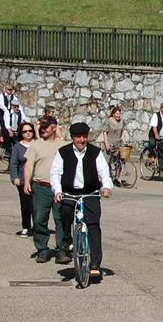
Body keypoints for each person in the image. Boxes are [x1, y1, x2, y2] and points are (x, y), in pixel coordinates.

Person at [51, 122, 114, 280]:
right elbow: (55, 173)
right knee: (64, 211)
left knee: (93, 226)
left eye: (84, 136)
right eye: (78, 137)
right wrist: (57, 191)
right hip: (69, 192)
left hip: (90, 193)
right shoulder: (63, 152)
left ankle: (95, 264)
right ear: (72, 138)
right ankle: (67, 240)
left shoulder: (95, 153)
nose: (81, 140)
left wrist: (106, 187)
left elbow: (104, 172)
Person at [23, 115, 67, 262]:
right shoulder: (36, 144)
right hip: (41, 186)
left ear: (54, 127)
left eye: (46, 127)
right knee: (39, 218)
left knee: (61, 219)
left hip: (59, 187)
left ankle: (62, 250)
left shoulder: (63, 145)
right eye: (41, 127)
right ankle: (42, 249)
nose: (43, 129)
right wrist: (27, 182)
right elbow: (29, 164)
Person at [10, 121, 36, 236]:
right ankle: (26, 226)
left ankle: (38, 227)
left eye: (30, 131)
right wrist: (14, 177)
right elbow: (13, 163)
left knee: (37, 206)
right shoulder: (17, 147)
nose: (28, 133)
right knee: (26, 205)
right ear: (21, 133)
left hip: (37, 180)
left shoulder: (38, 144)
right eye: (25, 131)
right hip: (22, 180)